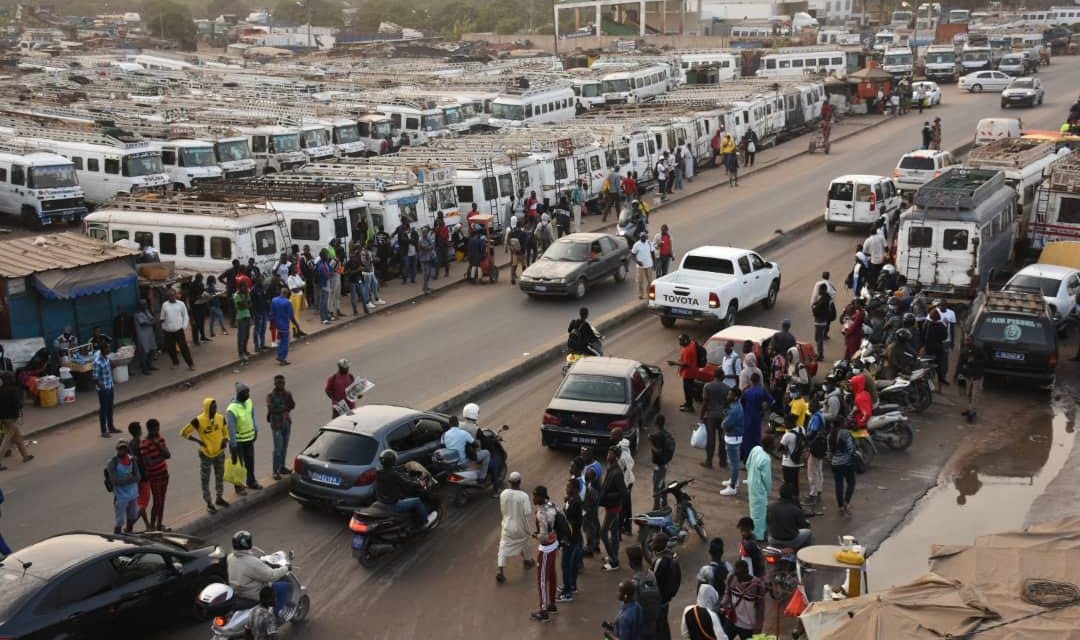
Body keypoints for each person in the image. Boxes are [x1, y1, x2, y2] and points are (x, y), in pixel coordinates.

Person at [181, 398, 231, 514]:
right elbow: (184, 432)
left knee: (220, 476)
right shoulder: (198, 420)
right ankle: (209, 503)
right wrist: (197, 441)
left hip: (219, 453)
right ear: (207, 408)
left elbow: (226, 431)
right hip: (206, 454)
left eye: (215, 407)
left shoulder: (220, 418)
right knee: (205, 479)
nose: (215, 409)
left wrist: (225, 439)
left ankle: (219, 497)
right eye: (212, 407)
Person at [227, 530, 289, 610]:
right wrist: (286, 568)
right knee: (283, 586)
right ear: (248, 544)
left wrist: (259, 559)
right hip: (253, 594)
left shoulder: (230, 557)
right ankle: (277, 614)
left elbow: (244, 565)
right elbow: (272, 576)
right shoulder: (251, 562)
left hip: (238, 591)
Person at [374, 449, 435, 529]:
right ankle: (425, 522)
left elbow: (395, 471)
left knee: (404, 496)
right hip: (393, 504)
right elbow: (409, 483)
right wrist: (420, 483)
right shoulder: (393, 474)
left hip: (382, 501)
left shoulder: (379, 472)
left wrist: (404, 468)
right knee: (417, 501)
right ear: (393, 461)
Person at [530, 485, 560, 622]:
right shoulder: (552, 505)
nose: (533, 498)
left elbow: (543, 536)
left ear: (541, 497)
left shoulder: (541, 513)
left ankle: (543, 611)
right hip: (554, 545)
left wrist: (535, 535)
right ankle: (552, 604)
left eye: (535, 496)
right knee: (552, 575)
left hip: (546, 548)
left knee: (541, 580)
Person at [227, 382, 261, 493]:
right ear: (239, 394)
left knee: (250, 462)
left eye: (248, 392)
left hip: (249, 439)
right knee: (238, 465)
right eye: (246, 393)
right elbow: (231, 429)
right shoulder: (231, 409)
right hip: (238, 442)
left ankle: (251, 481)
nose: (248, 395)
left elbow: (252, 416)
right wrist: (233, 445)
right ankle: (239, 487)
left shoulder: (249, 402)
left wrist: (255, 430)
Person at [722, 560, 766, 639]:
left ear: (747, 572)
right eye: (736, 574)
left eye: (739, 575)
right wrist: (724, 605)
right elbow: (727, 593)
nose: (737, 577)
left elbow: (760, 610)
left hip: (748, 627)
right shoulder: (731, 577)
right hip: (732, 620)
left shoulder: (758, 586)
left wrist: (758, 628)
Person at [139, 419, 170, 531]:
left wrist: (158, 446)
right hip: (154, 476)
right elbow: (148, 463)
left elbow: (168, 455)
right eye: (155, 429)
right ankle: (152, 526)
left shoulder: (160, 439)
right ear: (149, 430)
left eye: (158, 428)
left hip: (164, 474)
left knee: (162, 500)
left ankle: (159, 524)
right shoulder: (144, 444)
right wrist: (161, 457)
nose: (157, 431)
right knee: (157, 501)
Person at [601, 447, 627, 571]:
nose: (608, 455)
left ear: (616, 456)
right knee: (614, 532)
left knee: (603, 533)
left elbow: (624, 492)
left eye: (611, 454)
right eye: (608, 452)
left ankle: (614, 561)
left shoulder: (617, 472)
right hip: (611, 506)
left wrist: (607, 496)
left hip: (613, 507)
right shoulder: (611, 467)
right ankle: (613, 556)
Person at [107, 440, 141, 534]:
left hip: (133, 494)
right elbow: (115, 481)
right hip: (121, 496)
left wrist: (125, 479)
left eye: (124, 449)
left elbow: (138, 477)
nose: (122, 451)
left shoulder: (132, 460)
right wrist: (129, 477)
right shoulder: (112, 462)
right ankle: (116, 539)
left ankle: (129, 535)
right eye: (120, 449)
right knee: (120, 521)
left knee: (132, 518)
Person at [652, 533, 681, 640]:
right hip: (667, 596)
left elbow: (653, 579)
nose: (652, 543)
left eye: (654, 541)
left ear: (660, 544)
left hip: (660, 597)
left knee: (658, 625)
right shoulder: (671, 555)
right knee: (664, 623)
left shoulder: (660, 560)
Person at [767, 483, 813, 550]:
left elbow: (768, 522)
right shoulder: (795, 509)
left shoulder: (770, 507)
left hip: (773, 540)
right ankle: (806, 556)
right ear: (792, 495)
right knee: (809, 533)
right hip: (790, 541)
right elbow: (803, 525)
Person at [559, 477, 584, 602]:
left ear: (575, 489)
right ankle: (572, 586)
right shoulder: (572, 499)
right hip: (573, 536)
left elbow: (570, 520)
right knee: (572, 563)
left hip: (570, 538)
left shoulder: (575, 502)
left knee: (566, 564)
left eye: (568, 487)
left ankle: (567, 592)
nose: (566, 488)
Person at [745, 434, 774, 542]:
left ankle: (759, 531)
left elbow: (748, 463)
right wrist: (768, 490)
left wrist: (751, 475)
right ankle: (758, 536)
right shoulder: (766, 459)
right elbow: (767, 478)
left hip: (751, 482)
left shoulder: (756, 449)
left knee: (754, 509)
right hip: (759, 487)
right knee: (759, 512)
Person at [266, 375, 295, 480]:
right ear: (275, 384)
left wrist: (282, 408)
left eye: (282, 383)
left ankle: (282, 467)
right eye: (279, 383)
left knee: (284, 447)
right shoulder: (270, 396)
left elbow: (292, 405)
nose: (281, 385)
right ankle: (275, 471)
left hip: (286, 423)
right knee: (278, 449)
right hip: (276, 425)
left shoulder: (287, 394)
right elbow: (272, 409)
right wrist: (284, 408)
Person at [0, 373, 31, 468]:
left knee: (17, 437)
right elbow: (17, 404)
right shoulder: (14, 390)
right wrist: (23, 402)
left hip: (2, 417)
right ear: (11, 379)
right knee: (7, 440)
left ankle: (25, 456)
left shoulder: (1, 389)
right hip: (11, 417)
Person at [160, 288, 195, 371]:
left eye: (172, 295)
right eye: (169, 296)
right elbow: (162, 317)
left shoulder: (181, 304)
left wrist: (184, 326)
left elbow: (185, 316)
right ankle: (175, 362)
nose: (171, 297)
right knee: (170, 348)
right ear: (167, 297)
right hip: (168, 331)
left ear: (175, 295)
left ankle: (190, 364)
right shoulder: (164, 305)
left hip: (179, 330)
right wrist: (163, 327)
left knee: (184, 348)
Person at [740, 374, 773, 461]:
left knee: (746, 438)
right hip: (757, 418)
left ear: (751, 381)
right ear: (758, 381)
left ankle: (746, 458)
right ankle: (755, 458)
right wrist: (764, 408)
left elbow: (741, 403)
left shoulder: (747, 392)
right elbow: (771, 401)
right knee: (756, 438)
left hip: (747, 418)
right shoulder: (762, 391)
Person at [700, 373, 730, 470]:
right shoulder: (727, 388)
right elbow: (728, 403)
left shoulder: (707, 386)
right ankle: (723, 461)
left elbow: (704, 402)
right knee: (722, 439)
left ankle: (709, 461)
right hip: (722, 416)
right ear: (723, 377)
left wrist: (702, 415)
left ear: (714, 376)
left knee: (711, 439)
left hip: (711, 416)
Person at [127, 422, 152, 531]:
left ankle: (148, 525)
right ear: (138, 431)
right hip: (143, 477)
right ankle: (129, 526)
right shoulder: (141, 444)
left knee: (140, 503)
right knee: (143, 504)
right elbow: (145, 461)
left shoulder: (130, 445)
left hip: (135, 478)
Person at [719, 388, 744, 497]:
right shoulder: (736, 406)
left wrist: (723, 423)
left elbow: (726, 424)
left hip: (733, 438)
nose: (727, 396)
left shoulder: (735, 410)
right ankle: (734, 480)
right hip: (733, 437)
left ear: (735, 397)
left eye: (730, 394)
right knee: (732, 462)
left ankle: (732, 487)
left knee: (733, 463)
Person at [830, 419, 858, 516]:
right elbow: (851, 450)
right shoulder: (846, 433)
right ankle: (846, 502)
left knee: (839, 485)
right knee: (851, 482)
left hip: (835, 463)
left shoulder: (830, 435)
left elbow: (829, 451)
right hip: (847, 464)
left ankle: (840, 506)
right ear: (842, 423)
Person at [92, 342, 120, 438]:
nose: (109, 350)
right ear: (103, 350)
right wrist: (102, 387)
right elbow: (95, 377)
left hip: (110, 386)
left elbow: (111, 367)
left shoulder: (106, 358)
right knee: (103, 410)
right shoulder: (97, 361)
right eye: (108, 348)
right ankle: (104, 431)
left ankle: (111, 427)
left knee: (110, 408)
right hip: (103, 389)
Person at [649, 416, 675, 509]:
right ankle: (664, 502)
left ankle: (655, 508)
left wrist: (651, 442)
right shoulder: (665, 433)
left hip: (659, 466)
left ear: (655, 423)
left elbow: (658, 451)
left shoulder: (657, 435)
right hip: (664, 463)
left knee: (656, 487)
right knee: (662, 483)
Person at [956, 339, 985, 423]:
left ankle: (972, 413)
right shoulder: (964, 351)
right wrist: (958, 374)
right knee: (969, 393)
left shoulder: (978, 350)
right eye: (966, 341)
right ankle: (970, 409)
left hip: (977, 375)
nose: (966, 343)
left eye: (968, 341)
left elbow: (985, 360)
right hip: (969, 375)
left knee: (975, 394)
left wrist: (974, 361)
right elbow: (960, 363)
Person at [270, 288, 300, 366]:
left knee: (281, 340)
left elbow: (272, 313)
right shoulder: (288, 303)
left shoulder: (274, 300)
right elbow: (291, 316)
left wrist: (272, 323)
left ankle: (279, 355)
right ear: (287, 294)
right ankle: (282, 359)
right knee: (285, 342)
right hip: (284, 324)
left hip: (276, 323)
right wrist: (297, 325)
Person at [673, 334, 699, 413]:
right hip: (692, 371)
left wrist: (674, 363)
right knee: (688, 389)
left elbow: (686, 364)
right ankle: (687, 403)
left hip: (688, 374)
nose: (679, 343)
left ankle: (690, 406)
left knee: (687, 390)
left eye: (680, 341)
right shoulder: (692, 343)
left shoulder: (688, 350)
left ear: (685, 341)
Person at [923, 308, 950, 385]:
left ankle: (929, 384)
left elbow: (922, 335)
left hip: (928, 348)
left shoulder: (926, 323)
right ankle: (940, 380)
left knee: (927, 366)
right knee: (939, 365)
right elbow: (944, 337)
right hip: (938, 348)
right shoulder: (941, 326)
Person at [632, 232, 656, 301]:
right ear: (640, 238)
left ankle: (649, 294)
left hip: (649, 265)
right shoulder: (637, 245)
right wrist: (637, 262)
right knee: (639, 281)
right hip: (640, 266)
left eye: (644, 237)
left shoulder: (649, 243)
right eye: (642, 237)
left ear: (646, 237)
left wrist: (654, 263)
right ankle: (641, 294)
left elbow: (653, 253)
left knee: (650, 281)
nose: (643, 238)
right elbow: (633, 255)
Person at [233, 282, 252, 362]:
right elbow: (242, 306)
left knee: (247, 335)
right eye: (244, 287)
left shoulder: (245, 294)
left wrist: (246, 302)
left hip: (247, 316)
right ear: (240, 287)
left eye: (246, 287)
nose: (245, 289)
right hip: (241, 318)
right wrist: (246, 299)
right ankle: (241, 353)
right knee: (241, 337)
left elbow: (250, 304)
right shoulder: (236, 295)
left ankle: (244, 350)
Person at [811, 284, 831, 361]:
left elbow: (816, 310)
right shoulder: (826, 298)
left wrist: (814, 307)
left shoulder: (823, 300)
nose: (818, 291)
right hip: (822, 320)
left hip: (820, 321)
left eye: (820, 289)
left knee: (818, 338)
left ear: (823, 290)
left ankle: (820, 355)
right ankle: (820, 354)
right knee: (818, 338)